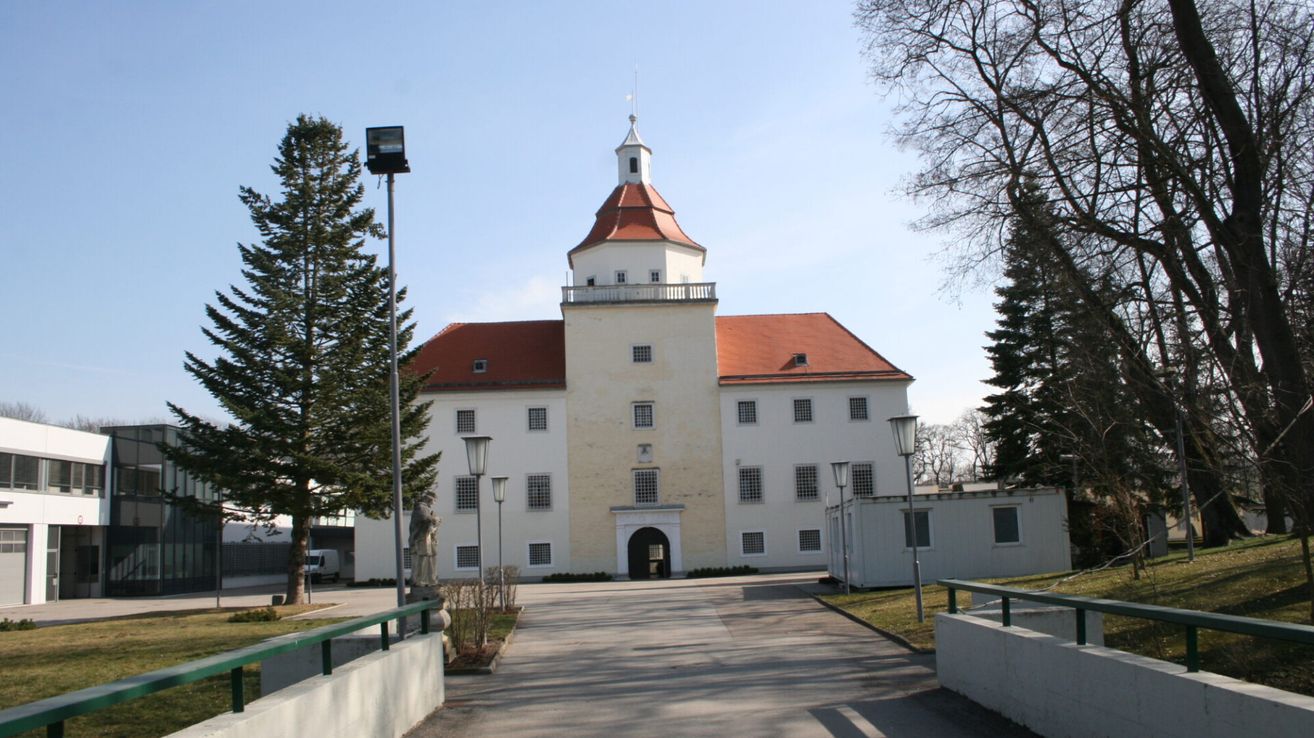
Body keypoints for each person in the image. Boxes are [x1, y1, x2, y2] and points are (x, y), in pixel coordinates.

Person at [408, 492, 441, 589]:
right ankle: (420, 581)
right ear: (428, 499)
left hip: (427, 538)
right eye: (433, 501)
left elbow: (428, 521)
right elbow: (425, 519)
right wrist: (434, 519)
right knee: (422, 558)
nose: (434, 503)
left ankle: (431, 580)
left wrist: (434, 522)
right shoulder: (421, 508)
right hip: (420, 538)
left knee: (430, 557)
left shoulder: (425, 508)